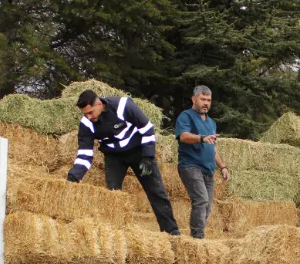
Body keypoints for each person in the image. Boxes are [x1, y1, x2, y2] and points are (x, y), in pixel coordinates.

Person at [67, 89, 180, 235]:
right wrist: (74, 176)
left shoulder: (123, 105)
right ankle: (116, 234)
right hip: (114, 157)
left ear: (99, 104)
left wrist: (148, 157)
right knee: (113, 196)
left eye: (90, 112)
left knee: (156, 191)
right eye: (85, 114)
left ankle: (172, 232)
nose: (88, 117)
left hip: (138, 152)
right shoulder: (86, 124)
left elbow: (147, 129)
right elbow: (85, 153)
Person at [175, 86, 230, 239]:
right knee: (201, 200)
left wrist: (223, 166)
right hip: (190, 166)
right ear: (194, 99)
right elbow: (184, 136)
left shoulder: (212, 123)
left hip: (208, 170)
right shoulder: (186, 116)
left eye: (208, 100)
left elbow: (212, 147)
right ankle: (197, 238)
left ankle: (197, 236)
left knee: (207, 206)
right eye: (203, 99)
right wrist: (201, 138)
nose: (206, 103)